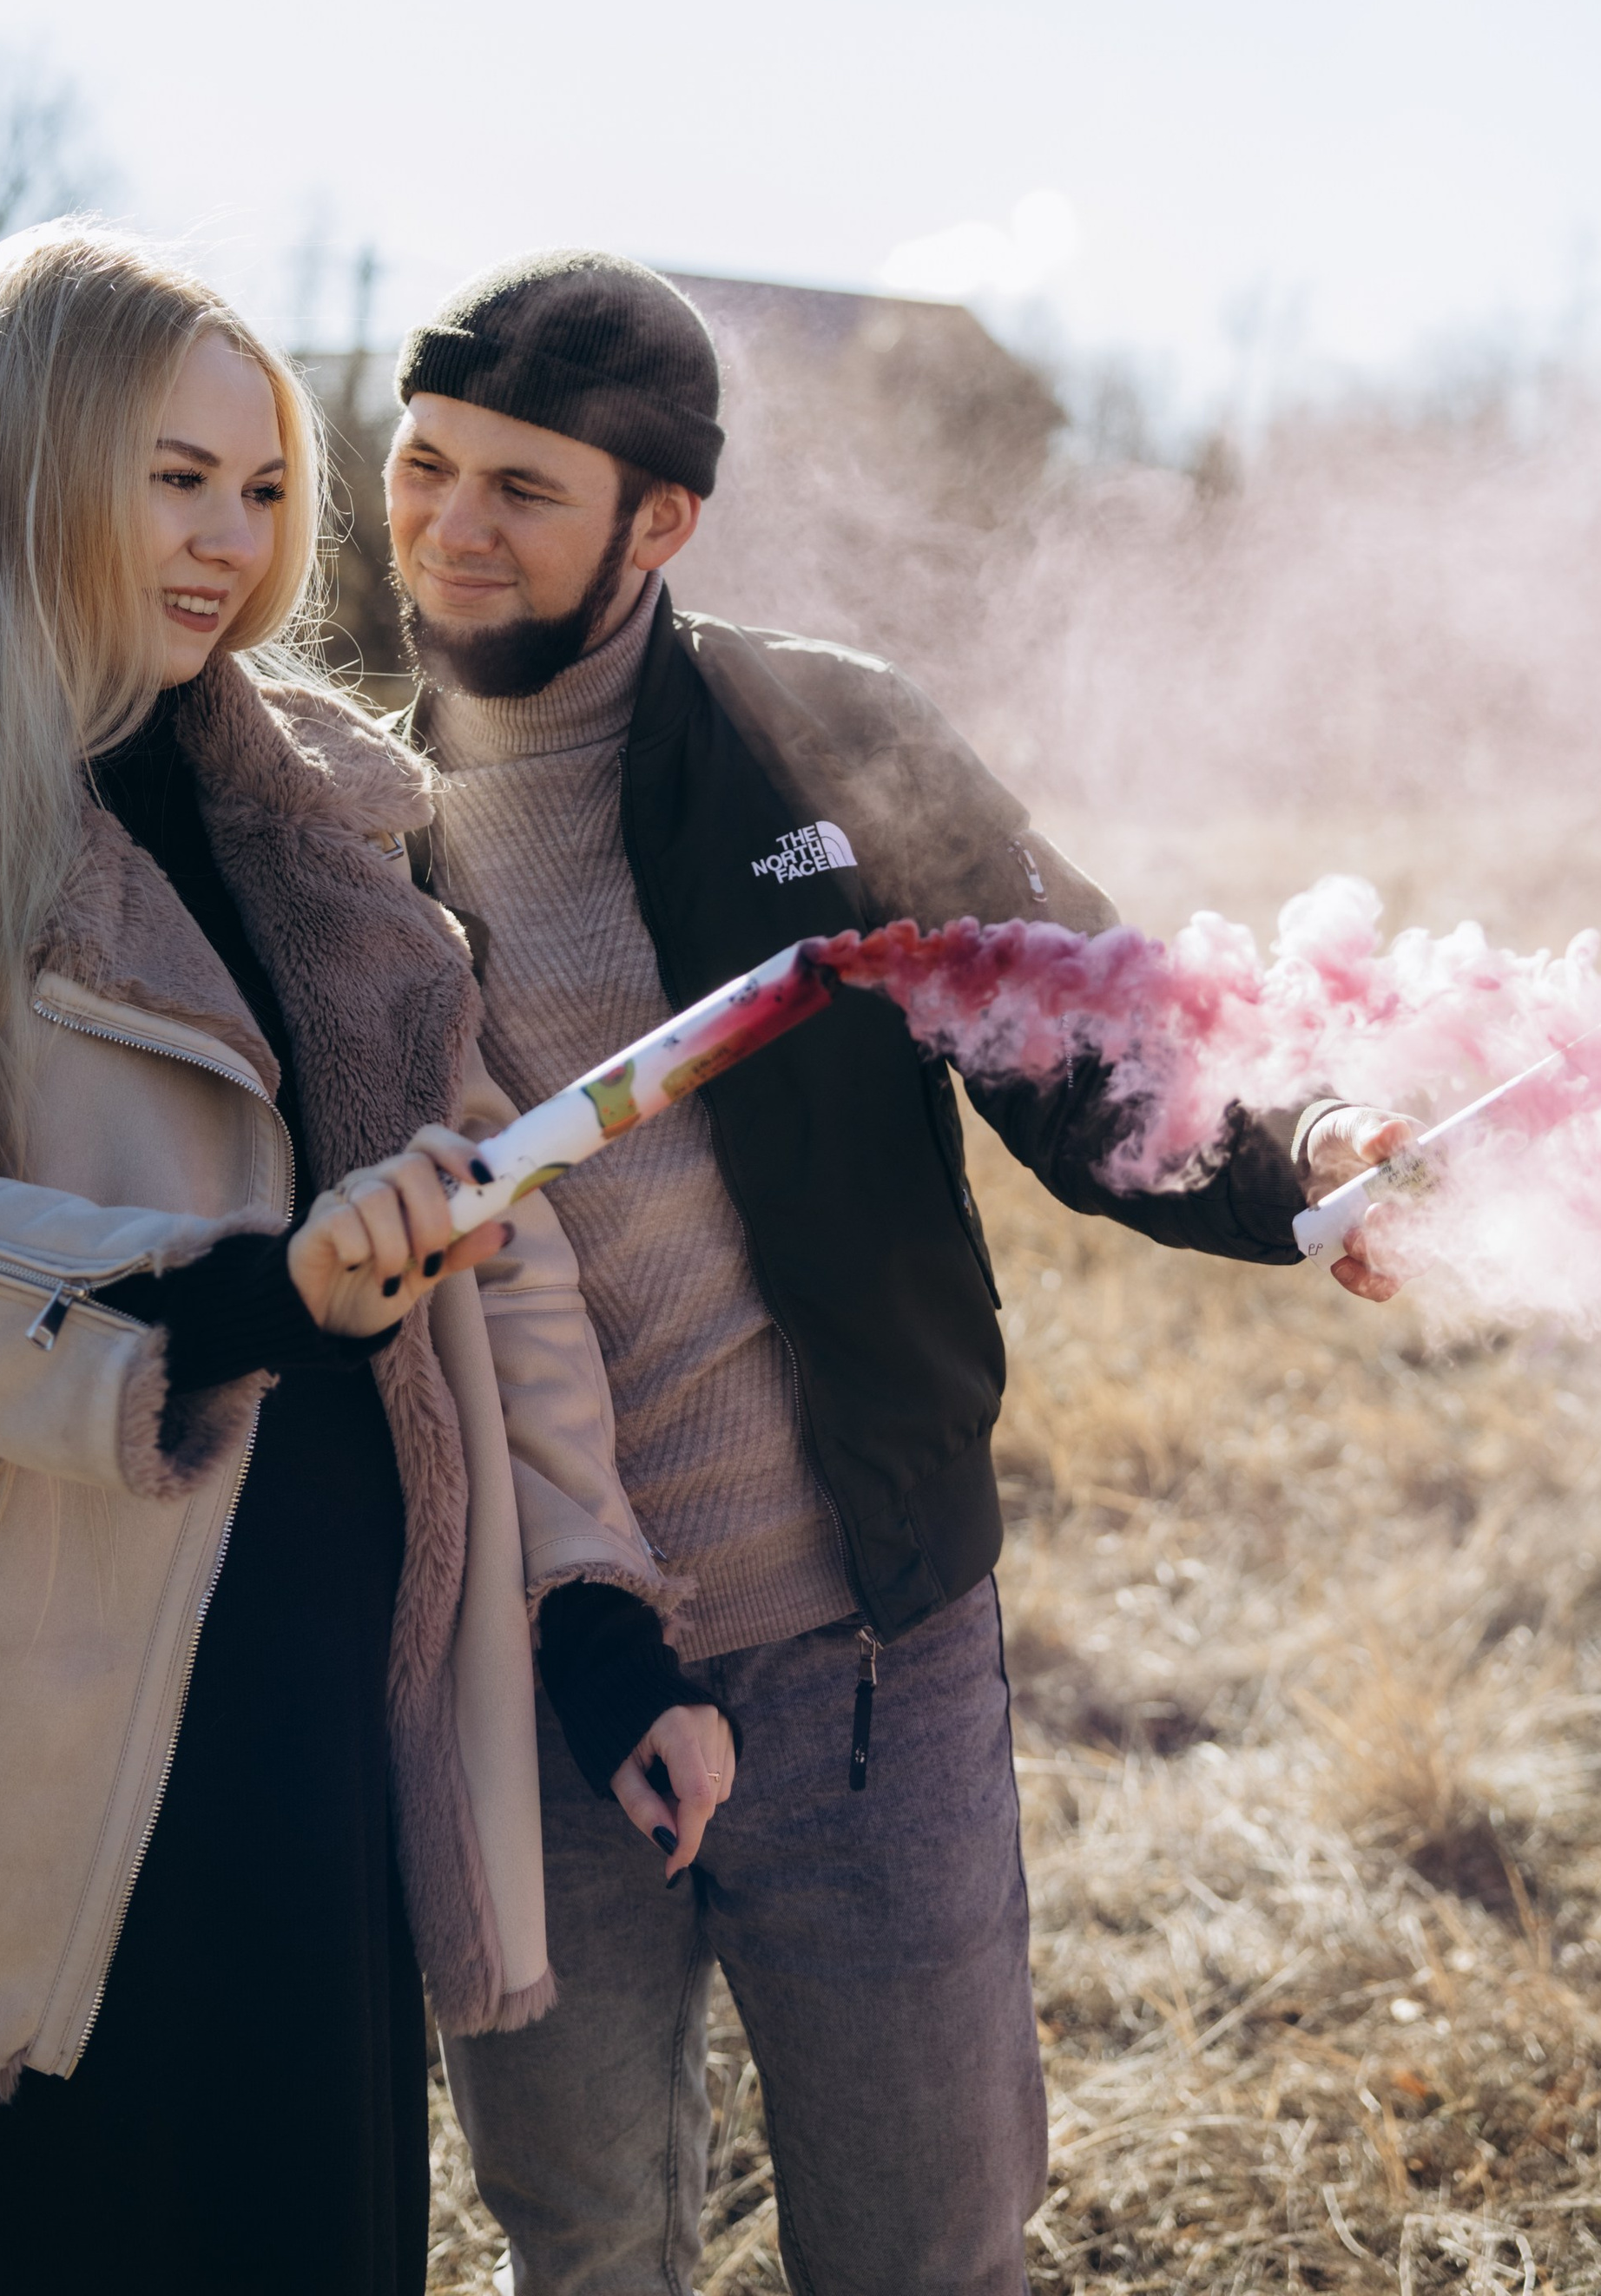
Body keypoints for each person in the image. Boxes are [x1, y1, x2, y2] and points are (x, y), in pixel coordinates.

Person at [379, 247, 1404, 2296]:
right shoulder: (339, 821)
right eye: (422, 468)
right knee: (579, 2245)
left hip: (864, 1651)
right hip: (530, 1668)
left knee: (926, 2248)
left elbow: (1097, 1036)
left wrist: (1305, 1159)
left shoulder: (824, 738)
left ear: (656, 523)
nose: (448, 529)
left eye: (519, 488)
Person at [0, 225, 642, 2296]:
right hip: (27, 1687)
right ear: (25, 462)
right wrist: (245, 1294)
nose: (230, 540)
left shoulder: (318, 810)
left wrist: (598, 1594)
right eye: (172, 477)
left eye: (267, 485)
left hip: (322, 1670)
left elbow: (496, 1242)